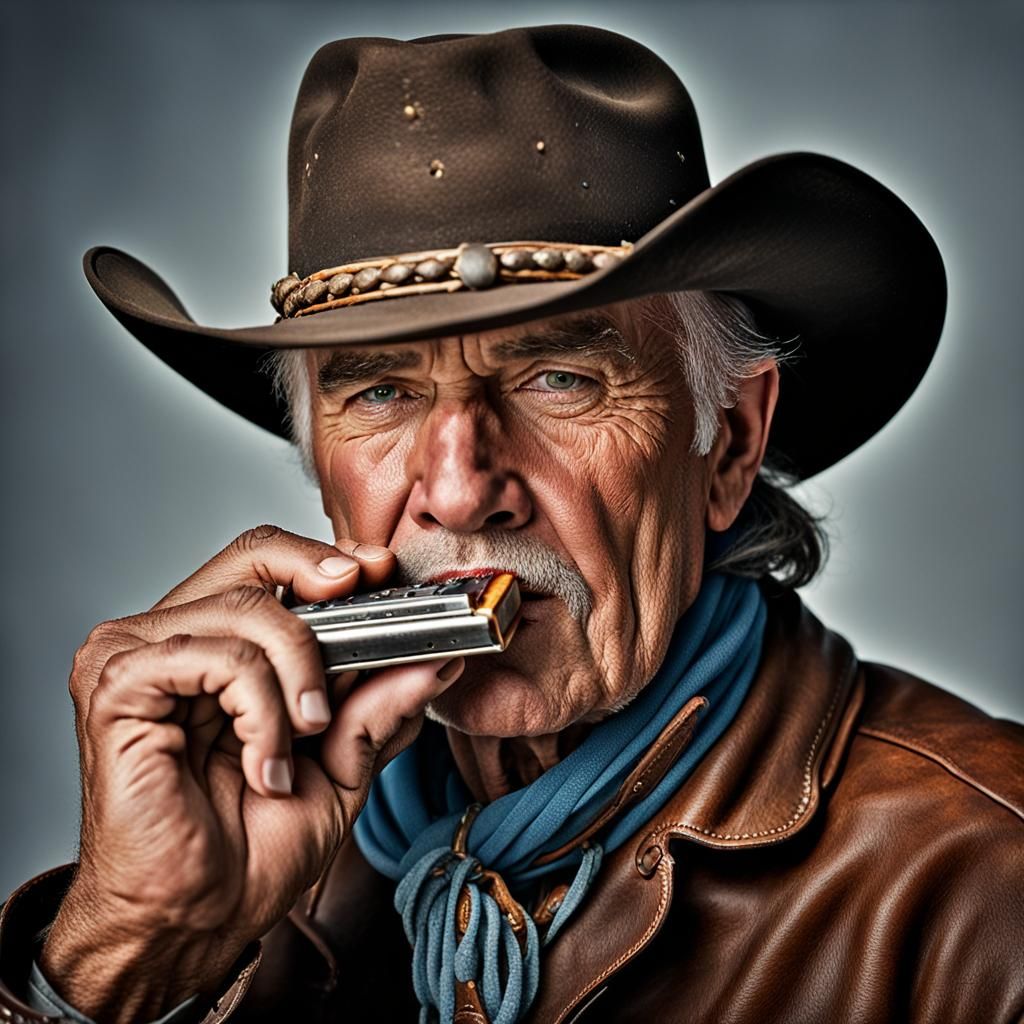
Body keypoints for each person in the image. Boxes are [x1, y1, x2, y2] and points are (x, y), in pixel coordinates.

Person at [1, 24, 1021, 1024]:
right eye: (382, 394)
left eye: (559, 377)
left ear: (730, 444)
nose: (458, 493)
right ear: (318, 466)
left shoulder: (986, 889)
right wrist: (126, 953)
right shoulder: (259, 840)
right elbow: (129, 954)